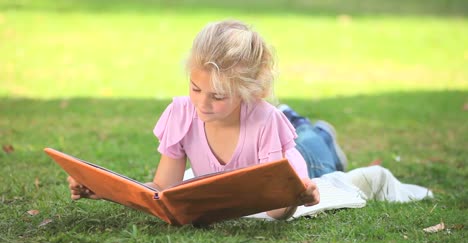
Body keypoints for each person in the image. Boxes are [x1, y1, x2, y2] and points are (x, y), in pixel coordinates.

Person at [68, 19, 348, 220]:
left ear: (244, 91)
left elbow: (275, 211)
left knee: (314, 145)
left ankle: (321, 133)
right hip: (259, 119)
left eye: (218, 96)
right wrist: (106, 190)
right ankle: (295, 119)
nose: (202, 104)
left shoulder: (265, 122)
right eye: (195, 88)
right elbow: (162, 189)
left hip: (305, 156)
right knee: (288, 123)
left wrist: (294, 196)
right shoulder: (181, 113)